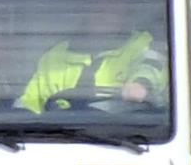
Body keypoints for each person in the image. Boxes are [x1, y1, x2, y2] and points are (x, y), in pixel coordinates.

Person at [18, 26, 167, 113]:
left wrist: (141, 84)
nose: (104, 10)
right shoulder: (56, 55)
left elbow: (151, 66)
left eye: (112, 2)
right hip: (59, 140)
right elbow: (30, 103)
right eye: (98, 3)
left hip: (124, 138)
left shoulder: (143, 43)